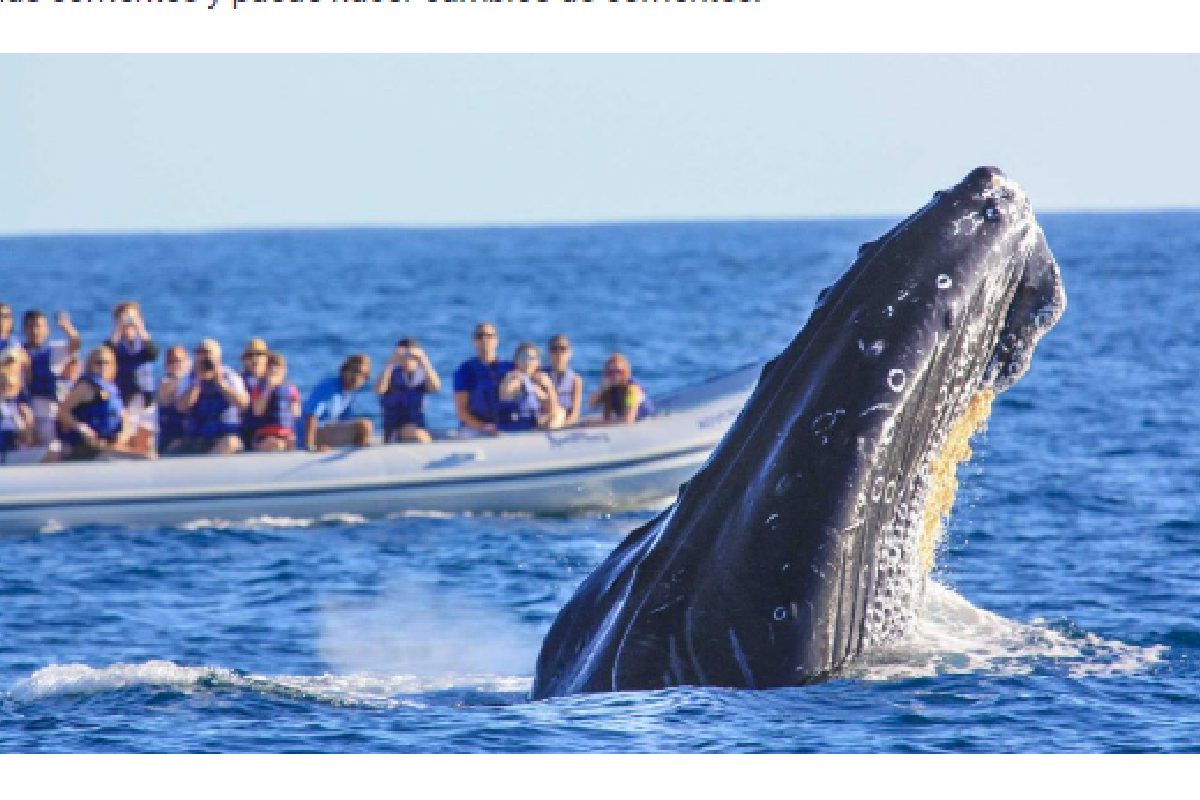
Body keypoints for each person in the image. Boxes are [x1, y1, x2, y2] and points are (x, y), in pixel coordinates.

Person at [57, 345, 146, 461]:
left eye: (107, 363)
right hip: (92, 446)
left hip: (112, 443)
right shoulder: (85, 387)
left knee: (145, 451)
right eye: (98, 362)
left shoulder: (112, 388)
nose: (103, 366)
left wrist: (122, 436)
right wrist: (82, 428)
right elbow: (62, 412)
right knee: (145, 458)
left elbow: (125, 418)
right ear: (91, 364)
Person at [174, 339, 250, 455]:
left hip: (224, 436)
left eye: (208, 355)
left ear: (218, 358)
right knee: (174, 446)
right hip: (197, 436)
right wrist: (197, 382)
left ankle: (207, 461)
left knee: (231, 442)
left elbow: (243, 404)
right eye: (200, 354)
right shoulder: (189, 378)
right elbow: (181, 407)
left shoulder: (230, 376)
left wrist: (221, 384)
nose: (204, 359)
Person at [22, 309, 81, 446]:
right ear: (24, 329)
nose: (34, 331)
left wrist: (67, 328)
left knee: (51, 445)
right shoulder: (18, 351)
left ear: (47, 329)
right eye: (30, 326)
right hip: (26, 409)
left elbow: (75, 344)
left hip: (50, 412)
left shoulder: (55, 350)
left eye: (38, 326)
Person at [107, 302, 159, 456]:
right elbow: (107, 352)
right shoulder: (115, 344)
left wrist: (140, 328)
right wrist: (118, 329)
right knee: (124, 434)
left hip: (145, 398)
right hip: (124, 398)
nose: (128, 323)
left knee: (146, 437)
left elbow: (153, 353)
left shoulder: (143, 343)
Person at [298, 354, 373, 452]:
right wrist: (309, 447)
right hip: (307, 435)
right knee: (364, 426)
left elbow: (346, 420)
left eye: (363, 375)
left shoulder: (349, 393)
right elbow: (311, 415)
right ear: (344, 370)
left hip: (324, 432)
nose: (357, 377)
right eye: (354, 371)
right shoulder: (329, 387)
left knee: (363, 428)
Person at [452, 322, 513, 437]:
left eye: (489, 336)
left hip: (505, 425)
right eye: (479, 336)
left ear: (496, 340)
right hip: (475, 428)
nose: (484, 339)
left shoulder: (510, 367)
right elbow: (461, 411)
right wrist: (485, 427)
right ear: (474, 341)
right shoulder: (465, 371)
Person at [376, 338, 440, 444]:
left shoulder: (423, 375)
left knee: (423, 434)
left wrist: (424, 361)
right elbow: (379, 389)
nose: (408, 359)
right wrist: (389, 364)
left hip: (418, 427)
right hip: (395, 431)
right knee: (418, 434)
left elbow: (435, 387)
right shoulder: (391, 374)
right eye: (404, 355)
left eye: (412, 356)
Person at [497, 342, 561, 432]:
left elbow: (553, 406)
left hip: (535, 421)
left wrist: (548, 388)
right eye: (523, 358)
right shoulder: (511, 376)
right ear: (516, 361)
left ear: (537, 362)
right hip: (513, 422)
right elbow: (504, 396)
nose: (527, 361)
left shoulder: (542, 378)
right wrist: (522, 384)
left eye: (531, 358)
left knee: (559, 412)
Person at [250, 353, 301, 452]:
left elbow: (296, 414)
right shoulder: (259, 388)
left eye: (277, 367)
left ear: (284, 370)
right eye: (270, 367)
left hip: (286, 434)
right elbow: (257, 411)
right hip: (266, 435)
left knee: (292, 442)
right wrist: (268, 389)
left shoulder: (291, 388)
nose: (274, 370)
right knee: (276, 444)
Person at [588, 353, 654, 424]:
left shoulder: (632, 389)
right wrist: (601, 388)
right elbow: (591, 405)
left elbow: (628, 419)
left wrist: (599, 424)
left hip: (643, 421)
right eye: (611, 372)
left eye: (619, 372)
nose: (615, 375)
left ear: (626, 372)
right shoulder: (609, 387)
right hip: (625, 418)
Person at [155, 345, 191, 455]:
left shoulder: (194, 382)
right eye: (171, 361)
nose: (175, 365)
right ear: (166, 364)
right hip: (169, 437)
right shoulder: (165, 382)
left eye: (179, 361)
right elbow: (166, 395)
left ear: (187, 363)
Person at [540, 333, 583, 427]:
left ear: (570, 353)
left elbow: (575, 413)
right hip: (544, 419)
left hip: (563, 422)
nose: (559, 353)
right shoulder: (541, 376)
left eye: (563, 349)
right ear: (549, 353)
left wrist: (563, 427)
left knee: (560, 413)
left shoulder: (575, 379)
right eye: (554, 349)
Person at [238, 338, 270, 448]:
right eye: (250, 355)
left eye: (259, 354)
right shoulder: (237, 380)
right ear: (244, 359)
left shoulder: (274, 381)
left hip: (268, 431)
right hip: (243, 430)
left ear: (266, 358)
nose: (254, 359)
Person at [0, 367, 35, 463]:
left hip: (15, 443)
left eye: (10, 386)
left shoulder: (21, 408)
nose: (5, 389)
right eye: (2, 385)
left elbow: (29, 436)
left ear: (17, 389)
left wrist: (25, 435)